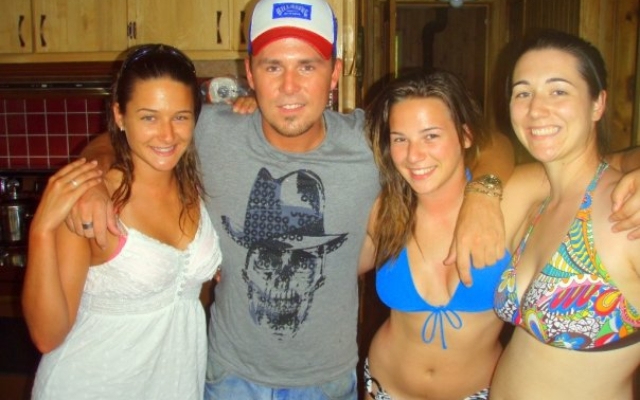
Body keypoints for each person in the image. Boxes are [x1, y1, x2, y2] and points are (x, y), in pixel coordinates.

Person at [64, 2, 640, 399]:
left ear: (335, 72)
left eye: (308, 66)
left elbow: (503, 146)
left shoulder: (370, 142)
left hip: (331, 382)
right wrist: (94, 174)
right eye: (273, 67)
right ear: (250, 74)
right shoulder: (213, 130)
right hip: (232, 377)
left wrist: (485, 192)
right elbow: (131, 135)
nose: (290, 87)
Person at [22, 44, 222, 400]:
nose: (167, 135)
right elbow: (47, 335)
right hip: (87, 387)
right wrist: (41, 231)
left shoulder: (192, 184)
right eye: (149, 118)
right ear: (119, 115)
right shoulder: (92, 202)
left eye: (180, 117)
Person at [491, 30, 640, 399]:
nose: (535, 109)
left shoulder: (627, 212)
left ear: (597, 104)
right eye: (522, 93)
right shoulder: (537, 201)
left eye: (558, 91)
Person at [359, 70, 511, 400]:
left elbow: (501, 144)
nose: (414, 156)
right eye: (400, 139)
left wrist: (484, 192)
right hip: (385, 389)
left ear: (465, 135)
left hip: (479, 392)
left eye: (431, 136)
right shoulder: (383, 211)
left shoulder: (506, 205)